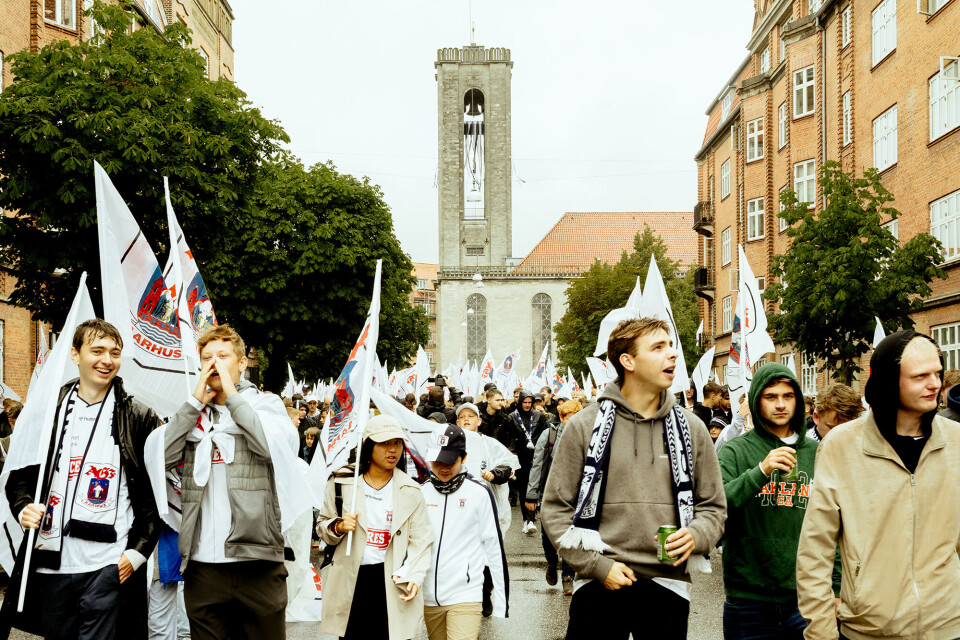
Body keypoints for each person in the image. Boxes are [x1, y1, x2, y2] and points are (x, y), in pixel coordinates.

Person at [542, 317, 726, 640]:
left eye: (671, 346)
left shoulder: (693, 429)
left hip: (668, 585)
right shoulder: (583, 427)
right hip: (600, 582)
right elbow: (555, 509)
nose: (672, 355)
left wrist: (697, 535)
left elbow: (713, 506)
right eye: (658, 348)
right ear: (628, 361)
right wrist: (597, 567)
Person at [2, 319, 162, 640]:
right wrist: (23, 508)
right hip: (52, 564)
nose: (107, 360)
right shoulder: (47, 411)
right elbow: (19, 478)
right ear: (75, 355)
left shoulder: (139, 416)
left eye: (115, 353)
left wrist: (137, 553)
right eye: (97, 350)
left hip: (107, 565)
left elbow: (157, 493)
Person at [797, 331, 960, 640]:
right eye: (920, 376)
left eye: (938, 373)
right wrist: (820, 632)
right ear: (889, 380)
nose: (935, 384)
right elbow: (814, 552)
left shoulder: (957, 441)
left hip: (948, 628)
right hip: (869, 629)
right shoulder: (841, 446)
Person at [163, 325, 297, 640]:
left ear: (242, 364)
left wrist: (232, 398)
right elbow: (163, 459)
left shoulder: (266, 406)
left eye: (222, 356)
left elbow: (268, 446)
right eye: (207, 358)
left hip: (256, 561)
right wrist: (194, 404)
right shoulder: (190, 414)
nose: (214, 364)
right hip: (203, 566)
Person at [717, 363, 818, 640]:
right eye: (771, 397)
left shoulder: (816, 451)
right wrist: (760, 472)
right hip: (748, 599)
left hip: (805, 597)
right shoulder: (736, 450)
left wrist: (833, 588)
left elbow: (834, 524)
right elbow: (715, 506)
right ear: (756, 400)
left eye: (788, 396)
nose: (781, 404)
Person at [317, 415, 434, 640]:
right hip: (352, 580)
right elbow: (322, 526)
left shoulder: (411, 490)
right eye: (384, 443)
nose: (392, 450)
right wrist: (339, 526)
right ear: (367, 445)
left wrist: (414, 576)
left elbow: (421, 540)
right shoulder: (342, 482)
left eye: (397, 442)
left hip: (391, 580)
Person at [421, 424, 509, 639]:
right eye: (437, 460)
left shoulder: (479, 493)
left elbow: (494, 546)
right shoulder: (421, 492)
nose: (443, 467)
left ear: (463, 457)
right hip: (428, 598)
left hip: (465, 595)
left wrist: (502, 602)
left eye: (449, 460)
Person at [525, 399, 581, 596]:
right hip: (550, 493)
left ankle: (568, 576)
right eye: (567, 418)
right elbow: (537, 465)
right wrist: (531, 494)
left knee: (570, 534)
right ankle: (551, 561)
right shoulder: (549, 434)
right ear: (562, 417)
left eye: (575, 418)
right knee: (549, 537)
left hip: (575, 496)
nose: (571, 423)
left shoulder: (586, 436)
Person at [510, 389, 547, 535]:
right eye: (524, 402)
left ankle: (531, 519)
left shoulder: (538, 416)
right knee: (524, 489)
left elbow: (544, 433)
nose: (527, 405)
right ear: (520, 402)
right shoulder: (512, 417)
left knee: (535, 488)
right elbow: (511, 438)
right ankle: (527, 520)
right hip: (520, 458)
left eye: (529, 403)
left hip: (536, 457)